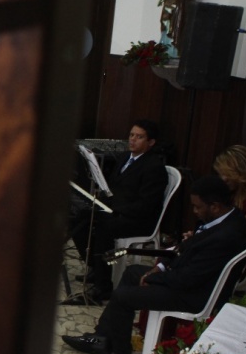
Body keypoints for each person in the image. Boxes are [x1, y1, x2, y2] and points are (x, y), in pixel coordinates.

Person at [62, 175, 246, 354]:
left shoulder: (226, 236)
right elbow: (189, 250)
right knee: (131, 273)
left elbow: (187, 279)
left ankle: (118, 348)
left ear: (215, 206)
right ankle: (102, 337)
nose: (195, 212)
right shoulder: (226, 218)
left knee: (122, 296)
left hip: (195, 295)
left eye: (198, 207)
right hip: (188, 279)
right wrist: (160, 268)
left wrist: (154, 277)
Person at [65, 119, 169, 304]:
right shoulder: (124, 158)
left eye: (139, 137)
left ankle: (102, 289)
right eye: (131, 135)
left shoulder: (154, 167)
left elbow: (146, 205)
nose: (133, 140)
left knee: (105, 227)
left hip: (137, 218)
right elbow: (113, 189)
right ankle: (95, 267)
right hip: (117, 210)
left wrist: (114, 210)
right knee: (80, 217)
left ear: (151, 142)